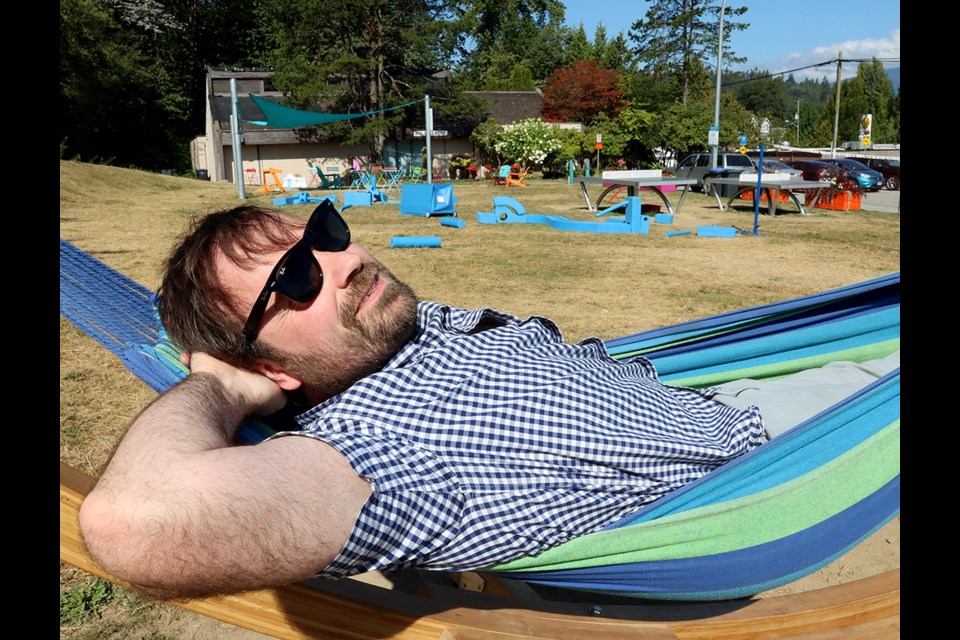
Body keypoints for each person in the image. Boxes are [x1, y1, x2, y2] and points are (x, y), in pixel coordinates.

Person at [77, 200, 891, 601]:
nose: (342, 259)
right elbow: (135, 523)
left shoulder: (401, 330)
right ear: (271, 370)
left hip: (713, 385)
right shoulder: (384, 450)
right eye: (293, 279)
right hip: (775, 451)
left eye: (321, 233)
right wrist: (215, 384)